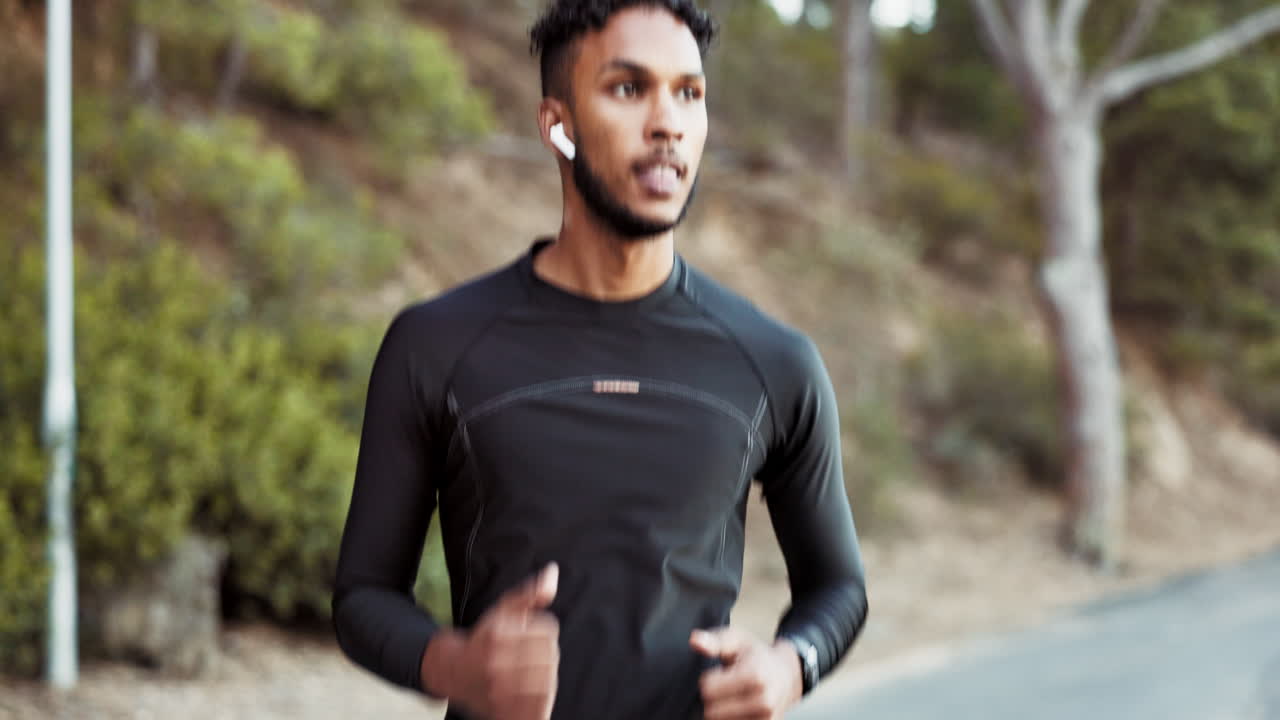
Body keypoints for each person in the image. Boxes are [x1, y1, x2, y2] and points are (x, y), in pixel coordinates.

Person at [331, 1, 868, 718]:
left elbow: (839, 588)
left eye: (689, 93)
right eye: (627, 88)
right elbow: (363, 595)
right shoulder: (438, 345)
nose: (668, 123)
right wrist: (457, 665)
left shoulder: (773, 361)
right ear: (558, 125)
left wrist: (790, 666)